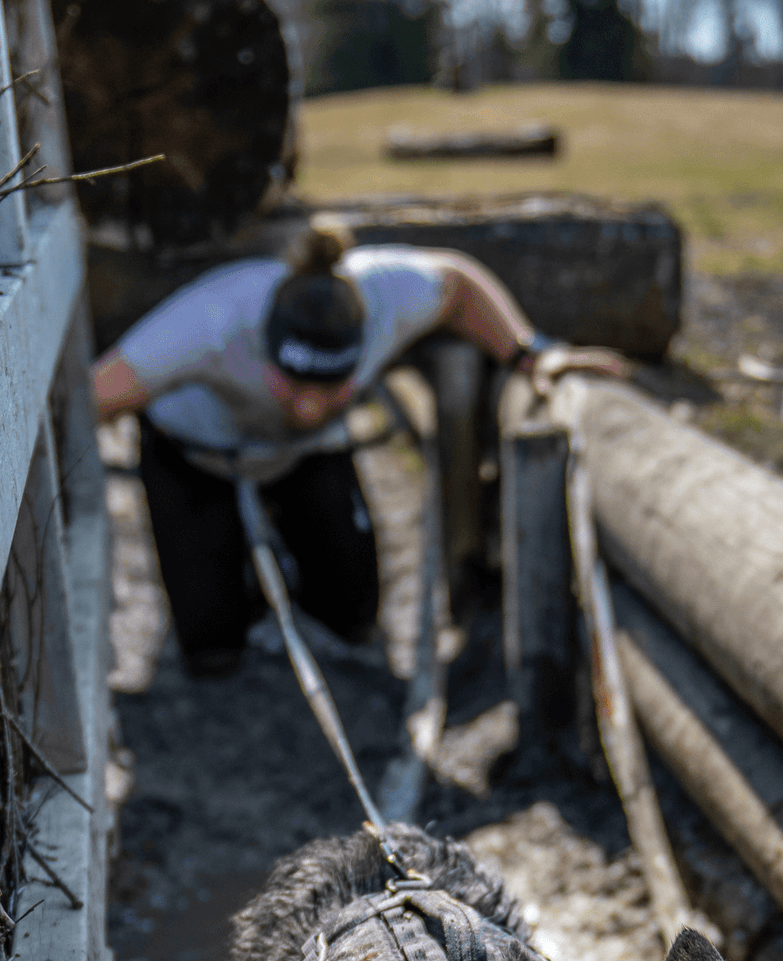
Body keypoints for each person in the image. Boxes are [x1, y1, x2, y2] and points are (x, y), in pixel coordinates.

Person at [91, 217, 623, 676]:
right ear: (265, 345)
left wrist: (528, 352)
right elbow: (94, 396)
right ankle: (238, 588)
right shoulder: (207, 323)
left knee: (354, 614)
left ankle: (298, 578)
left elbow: (459, 282)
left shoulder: (384, 297)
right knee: (211, 650)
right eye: (292, 384)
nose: (307, 406)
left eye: (331, 388)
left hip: (306, 453)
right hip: (193, 451)